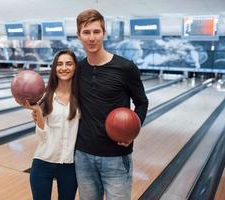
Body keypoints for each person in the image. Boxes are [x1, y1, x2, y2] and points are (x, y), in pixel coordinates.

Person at [74, 9, 149, 200]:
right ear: (79, 35)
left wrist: (133, 132)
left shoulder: (125, 67)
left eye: (96, 32)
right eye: (86, 32)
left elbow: (141, 102)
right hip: (83, 155)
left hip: (116, 156)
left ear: (104, 33)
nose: (92, 38)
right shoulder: (78, 69)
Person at [17, 50, 80, 200]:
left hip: (69, 166)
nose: (64, 68)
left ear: (75, 67)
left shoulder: (82, 97)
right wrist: (38, 112)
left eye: (68, 63)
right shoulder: (45, 96)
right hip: (43, 162)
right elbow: (42, 137)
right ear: (54, 68)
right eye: (59, 64)